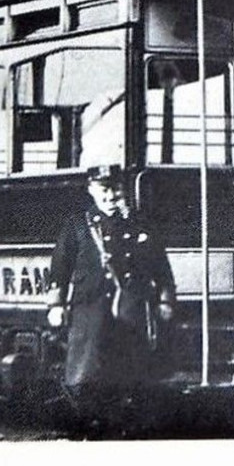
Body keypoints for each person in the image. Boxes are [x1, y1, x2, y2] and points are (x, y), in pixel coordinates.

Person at [46, 164, 176, 409]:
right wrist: (56, 305)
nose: (110, 196)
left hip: (130, 309)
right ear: (91, 191)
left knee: (130, 373)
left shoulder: (140, 225)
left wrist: (165, 300)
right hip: (90, 309)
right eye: (103, 190)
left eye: (115, 189)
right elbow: (59, 270)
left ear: (123, 190)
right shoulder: (78, 225)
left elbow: (161, 268)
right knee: (86, 376)